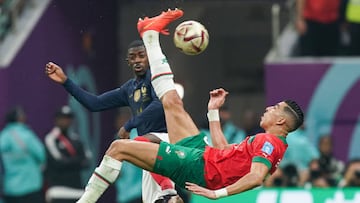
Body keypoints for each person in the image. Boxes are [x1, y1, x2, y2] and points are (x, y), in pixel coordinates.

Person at [70, 8, 304, 202]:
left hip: (201, 169)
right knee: (172, 103)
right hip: (207, 156)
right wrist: (213, 112)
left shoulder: (270, 143)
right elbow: (223, 151)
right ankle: (150, 36)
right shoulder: (266, 141)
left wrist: (216, 194)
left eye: (273, 109)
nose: (267, 108)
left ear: (281, 121)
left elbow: (256, 177)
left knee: (119, 148)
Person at [45, 41, 182, 202]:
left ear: (149, 58)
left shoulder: (156, 79)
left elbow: (159, 105)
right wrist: (66, 82)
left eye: (141, 56)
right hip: (150, 153)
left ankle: (169, 192)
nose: (137, 60)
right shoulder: (129, 89)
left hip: (166, 141)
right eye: (133, 57)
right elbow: (94, 103)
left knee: (135, 143)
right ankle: (169, 197)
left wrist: (129, 125)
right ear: (128, 62)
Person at [44, 105, 91, 203]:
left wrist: (69, 161)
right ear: (56, 120)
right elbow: (59, 163)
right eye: (63, 118)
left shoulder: (77, 140)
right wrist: (78, 161)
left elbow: (87, 162)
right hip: (58, 192)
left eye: (69, 118)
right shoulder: (51, 139)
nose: (66, 121)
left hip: (78, 192)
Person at [0, 106, 46, 203]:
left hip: (10, 189)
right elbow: (42, 155)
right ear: (19, 118)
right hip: (30, 187)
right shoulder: (26, 135)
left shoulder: (3, 136)